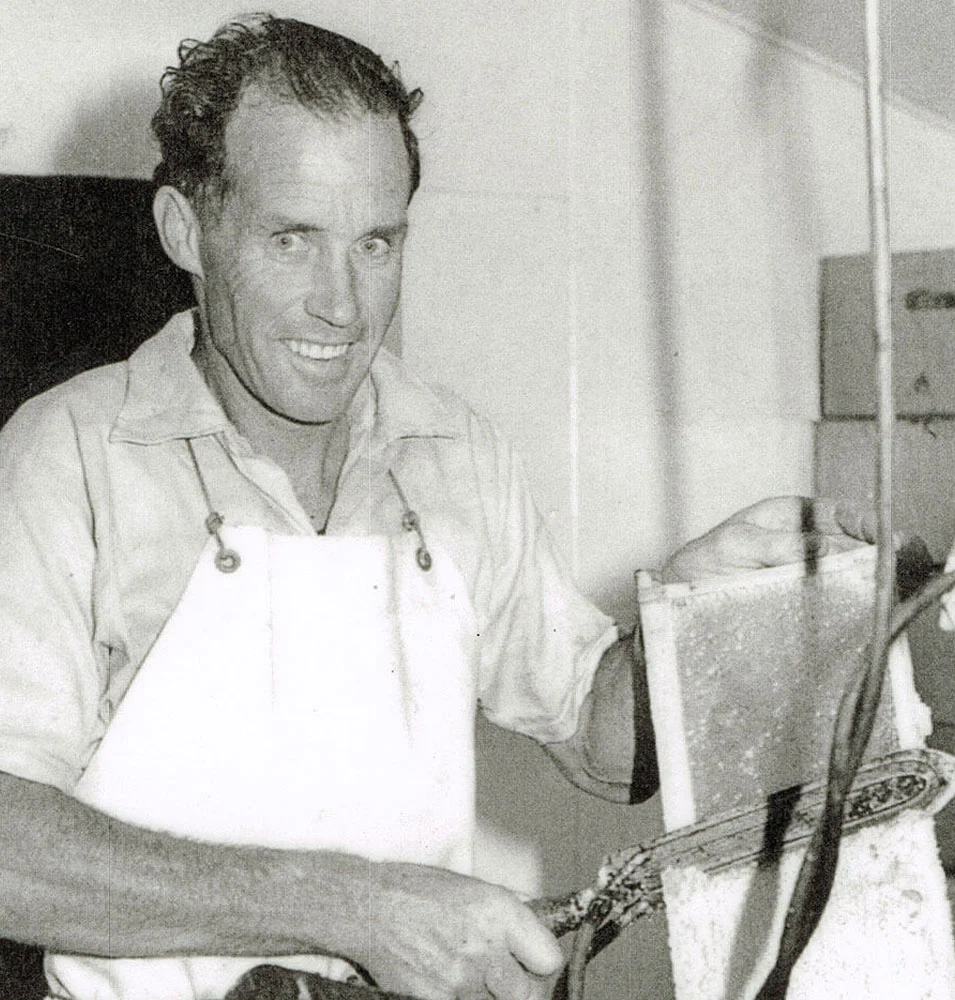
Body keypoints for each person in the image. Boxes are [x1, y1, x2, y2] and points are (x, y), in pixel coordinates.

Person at [0, 15, 873, 1000]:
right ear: (185, 231)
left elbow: (602, 740)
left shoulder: (453, 452)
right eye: (294, 239)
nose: (344, 303)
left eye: (375, 242)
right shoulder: (70, 457)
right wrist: (352, 906)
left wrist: (703, 619)